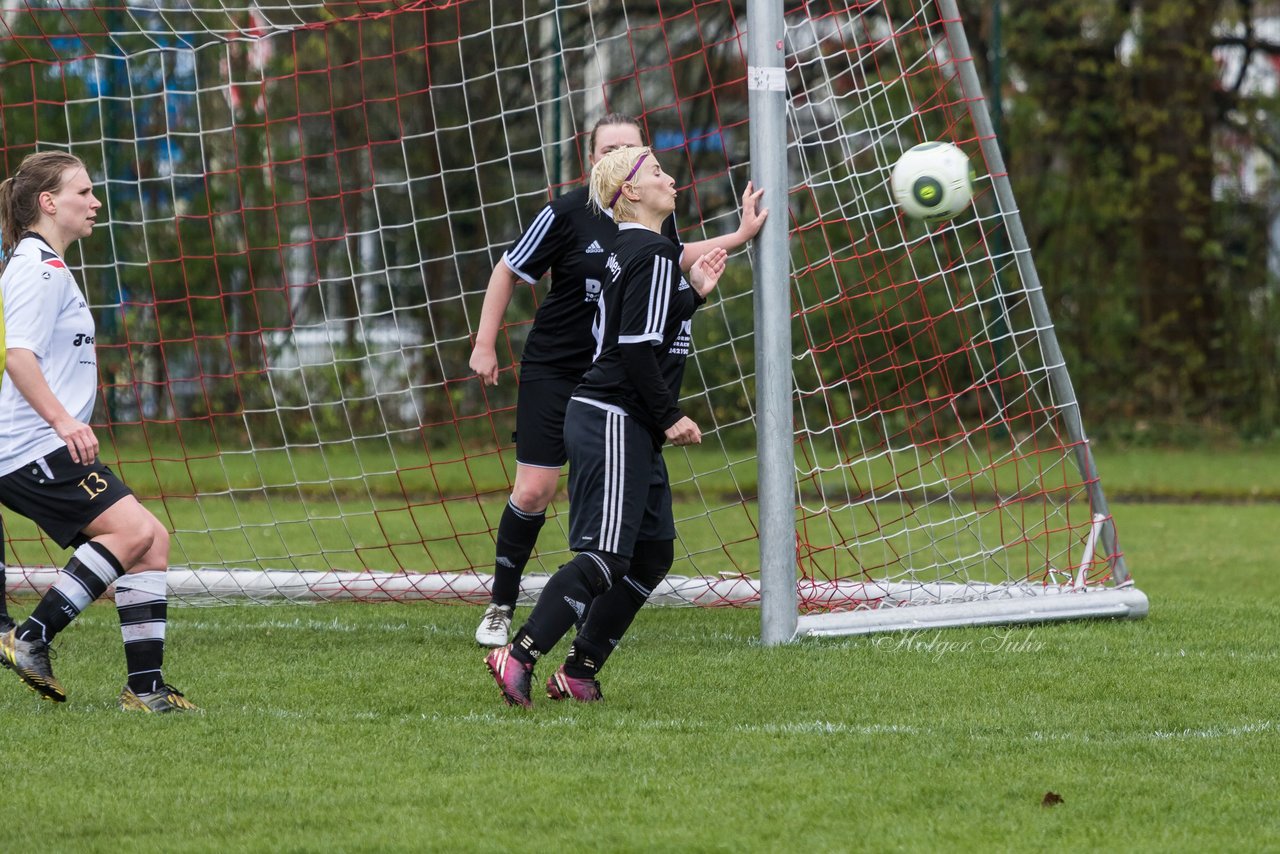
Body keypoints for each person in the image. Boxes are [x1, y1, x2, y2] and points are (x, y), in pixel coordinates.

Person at [470, 113, 766, 647]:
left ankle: (583, 617)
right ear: (598, 164)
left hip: (614, 380)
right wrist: (485, 343)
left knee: (623, 523)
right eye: (612, 148)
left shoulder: (653, 222)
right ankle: (503, 605)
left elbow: (675, 261)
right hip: (561, 370)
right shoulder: (566, 212)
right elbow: (509, 269)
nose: (625, 154)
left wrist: (741, 235)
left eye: (634, 147)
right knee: (536, 490)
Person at [0, 151, 197, 712]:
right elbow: (18, 358)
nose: (95, 202)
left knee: (151, 541)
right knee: (133, 532)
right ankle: (30, 638)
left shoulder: (46, 264)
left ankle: (144, 689)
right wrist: (64, 421)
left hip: (45, 442)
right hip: (31, 445)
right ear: (48, 203)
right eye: (83, 192)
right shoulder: (37, 270)